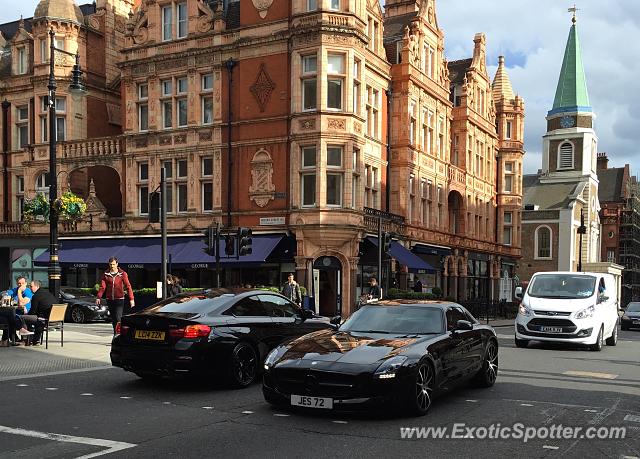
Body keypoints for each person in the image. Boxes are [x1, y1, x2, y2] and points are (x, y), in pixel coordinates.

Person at [96, 257, 135, 332]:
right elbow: (102, 287)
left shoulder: (123, 274)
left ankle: (120, 333)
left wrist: (131, 299)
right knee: (113, 319)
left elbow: (128, 286)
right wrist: (98, 297)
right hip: (109, 299)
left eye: (114, 264)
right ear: (109, 264)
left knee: (118, 318)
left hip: (119, 299)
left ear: (117, 264)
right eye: (111, 264)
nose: (112, 266)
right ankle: (115, 333)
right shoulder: (106, 274)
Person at [27, 280, 57, 345]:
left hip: (44, 319)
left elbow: (33, 311)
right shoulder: (48, 293)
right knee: (35, 318)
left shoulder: (36, 296)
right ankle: (35, 340)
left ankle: (28, 340)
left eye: (31, 286)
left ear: (37, 286)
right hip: (55, 319)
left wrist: (26, 314)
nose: (30, 288)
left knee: (25, 318)